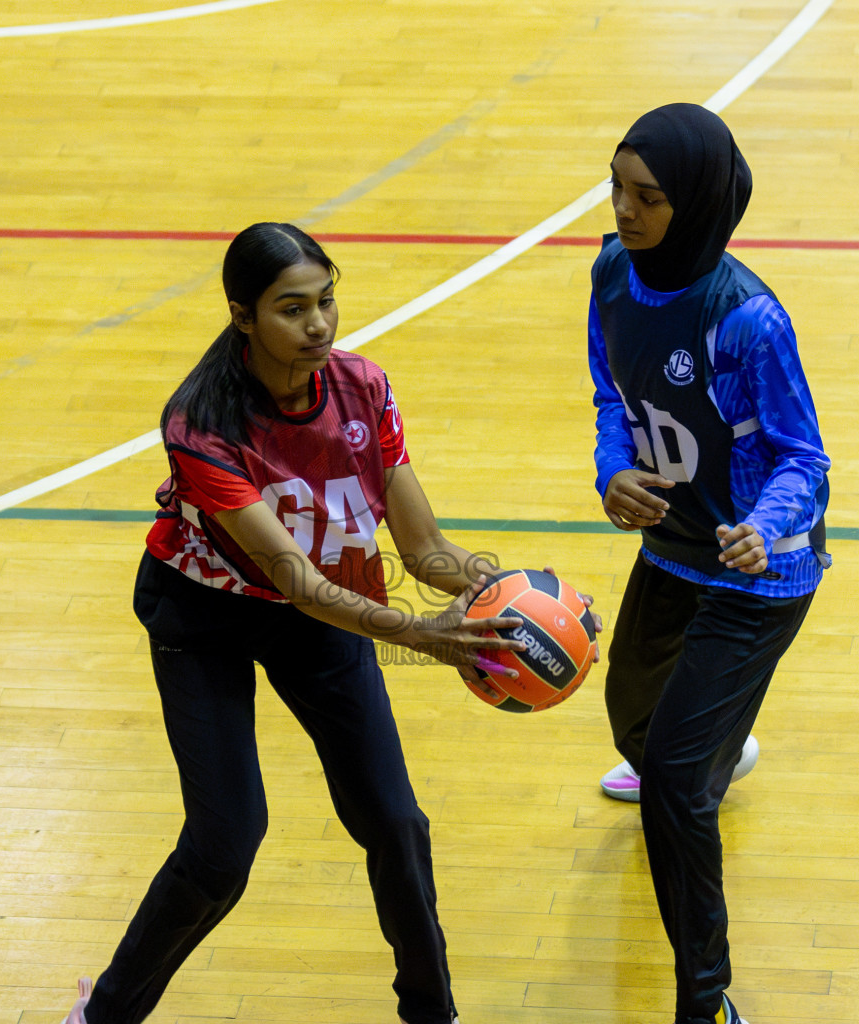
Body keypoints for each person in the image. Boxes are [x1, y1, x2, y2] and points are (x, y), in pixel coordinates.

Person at [61, 222, 553, 1024]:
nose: (319, 324)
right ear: (242, 316)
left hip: (319, 612)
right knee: (224, 846)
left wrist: (531, 595)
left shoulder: (364, 388)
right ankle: (104, 1015)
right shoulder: (201, 426)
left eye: (326, 301)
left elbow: (425, 548)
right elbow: (293, 578)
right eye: (292, 309)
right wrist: (417, 635)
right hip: (204, 617)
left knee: (396, 823)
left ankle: (432, 1015)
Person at [586, 104, 832, 1024]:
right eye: (616, 187)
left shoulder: (747, 321)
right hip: (674, 547)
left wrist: (763, 527)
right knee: (633, 727)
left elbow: (805, 461)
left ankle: (706, 1002)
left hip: (761, 570)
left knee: (676, 792)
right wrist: (614, 471)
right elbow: (611, 390)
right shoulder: (613, 275)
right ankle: (716, 750)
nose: (624, 211)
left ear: (695, 205)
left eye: (647, 198)